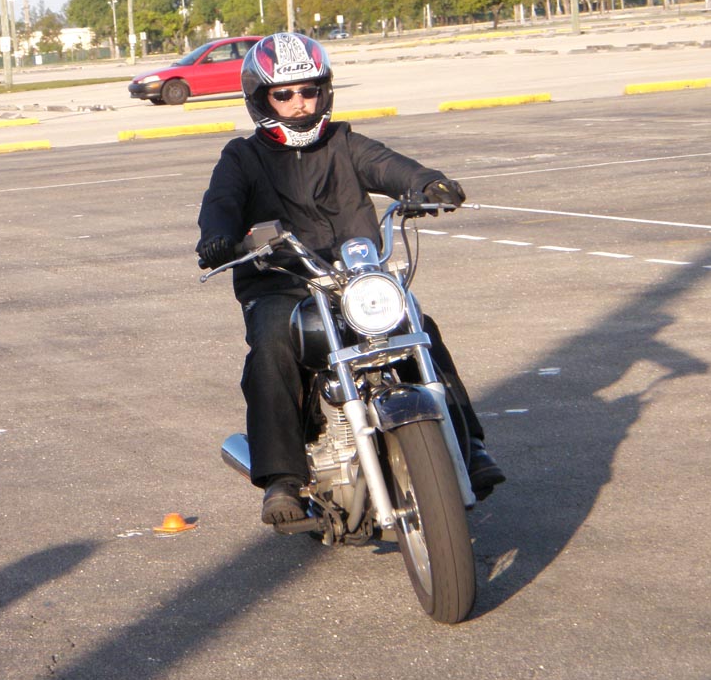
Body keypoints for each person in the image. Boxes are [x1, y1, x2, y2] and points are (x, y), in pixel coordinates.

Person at [196, 32, 504, 526]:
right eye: (284, 94)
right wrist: (217, 236)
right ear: (261, 100)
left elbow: (388, 166)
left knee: (417, 326)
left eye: (309, 91)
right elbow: (222, 202)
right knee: (273, 345)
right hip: (281, 281)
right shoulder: (242, 157)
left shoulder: (344, 143)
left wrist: (426, 183)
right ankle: (283, 478)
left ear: (325, 93)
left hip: (354, 278)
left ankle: (468, 446)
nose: (299, 103)